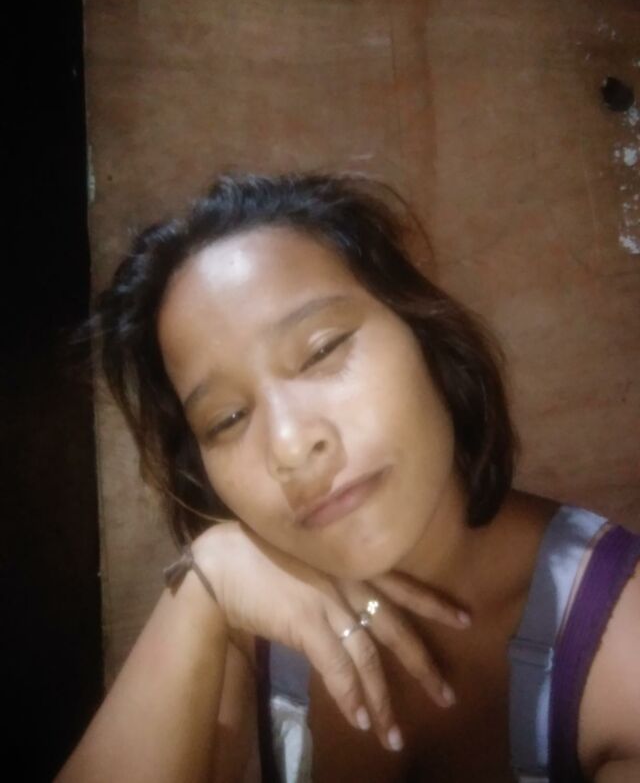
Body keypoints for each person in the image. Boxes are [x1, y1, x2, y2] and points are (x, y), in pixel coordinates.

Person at [57, 173, 640, 783]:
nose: (289, 445)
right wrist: (206, 581)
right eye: (226, 419)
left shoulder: (616, 642)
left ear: (426, 333)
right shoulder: (249, 622)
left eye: (322, 350)